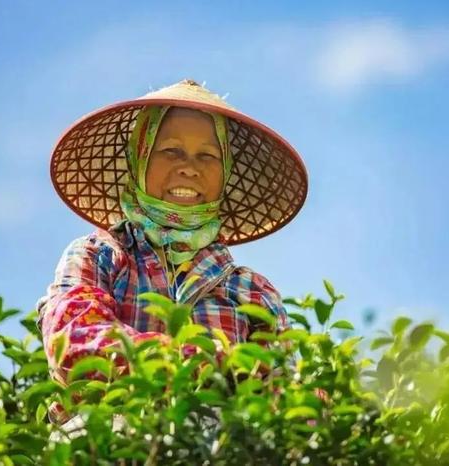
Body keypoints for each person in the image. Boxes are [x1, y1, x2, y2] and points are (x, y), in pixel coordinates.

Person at [35, 79, 308, 426]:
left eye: (207, 156)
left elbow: (283, 399)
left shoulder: (251, 292)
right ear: (139, 161)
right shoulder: (99, 254)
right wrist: (204, 365)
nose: (189, 167)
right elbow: (72, 343)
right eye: (171, 151)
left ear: (224, 175)